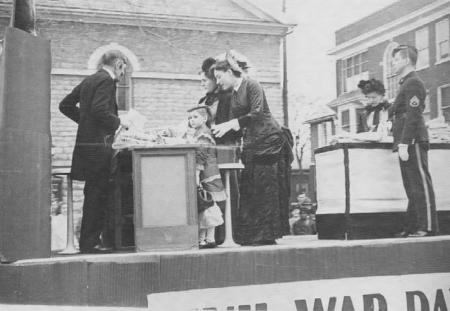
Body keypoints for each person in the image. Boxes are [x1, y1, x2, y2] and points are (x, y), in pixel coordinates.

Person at [212, 52, 293, 246]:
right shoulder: (234, 93)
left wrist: (232, 124)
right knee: (250, 187)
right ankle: (253, 235)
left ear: (231, 72)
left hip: (269, 141)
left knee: (265, 187)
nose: (218, 81)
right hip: (253, 143)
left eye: (219, 77)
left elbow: (257, 112)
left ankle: (266, 235)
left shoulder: (252, 85)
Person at [59, 51, 131, 253]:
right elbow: (100, 110)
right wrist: (119, 122)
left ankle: (88, 242)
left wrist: (85, 123)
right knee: (97, 195)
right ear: (118, 64)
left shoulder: (90, 80)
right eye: (123, 67)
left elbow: (64, 105)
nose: (123, 72)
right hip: (99, 147)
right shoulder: (107, 81)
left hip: (85, 146)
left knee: (92, 193)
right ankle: (90, 244)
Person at [391, 45, 438, 237]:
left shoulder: (413, 83)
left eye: (395, 60)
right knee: (411, 186)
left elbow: (413, 115)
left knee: (420, 184)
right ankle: (413, 226)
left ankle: (427, 226)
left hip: (413, 140)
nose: (393, 64)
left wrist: (405, 142)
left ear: (406, 60)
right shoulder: (406, 83)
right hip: (407, 139)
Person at [198, 57, 242, 244]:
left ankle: (224, 235)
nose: (202, 84)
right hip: (209, 150)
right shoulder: (206, 99)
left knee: (222, 190)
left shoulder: (224, 98)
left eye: (204, 80)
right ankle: (211, 235)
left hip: (222, 150)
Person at [186, 106, 226, 248]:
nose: (191, 120)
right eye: (190, 118)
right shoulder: (199, 132)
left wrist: (196, 174)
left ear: (204, 118)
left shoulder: (203, 134)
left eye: (195, 117)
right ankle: (205, 239)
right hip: (206, 172)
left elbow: (201, 155)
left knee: (207, 206)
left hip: (207, 173)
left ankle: (208, 239)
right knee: (205, 206)